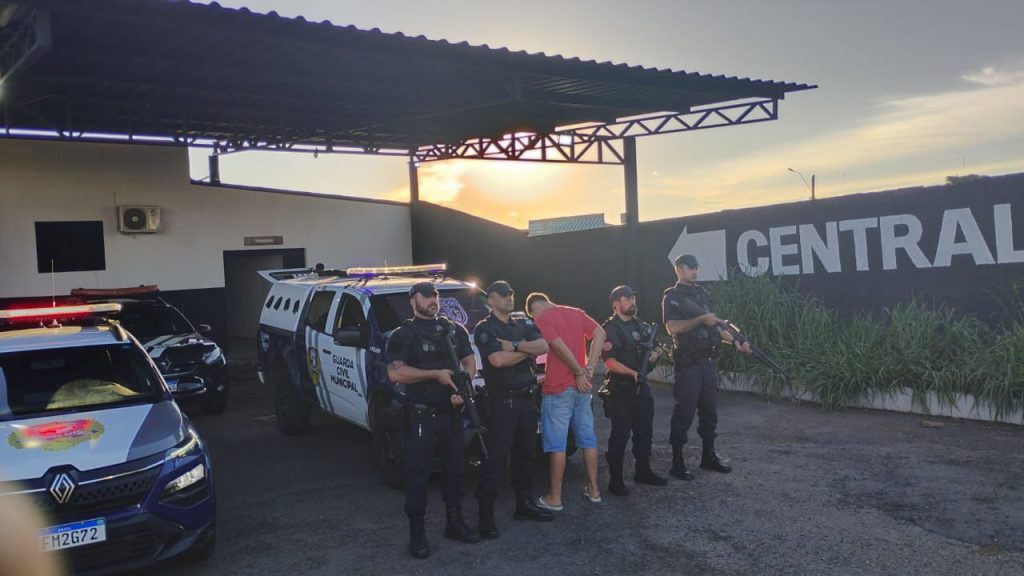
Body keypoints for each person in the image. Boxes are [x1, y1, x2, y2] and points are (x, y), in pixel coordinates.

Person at [386, 281, 479, 559]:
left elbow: (469, 360)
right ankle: (417, 535)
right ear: (412, 301)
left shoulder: (454, 329)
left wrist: (463, 387)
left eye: (435, 295)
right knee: (417, 477)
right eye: (426, 296)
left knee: (455, 472)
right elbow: (396, 373)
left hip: (451, 413)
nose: (432, 300)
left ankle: (455, 523)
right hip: (421, 416)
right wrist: (435, 375)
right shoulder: (404, 334)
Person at [473, 281, 556, 539]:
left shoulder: (522, 322)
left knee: (526, 456)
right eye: (503, 295)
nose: (510, 298)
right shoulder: (485, 328)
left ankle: (524, 505)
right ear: (491, 300)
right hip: (502, 403)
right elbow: (497, 360)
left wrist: (514, 346)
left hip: (527, 400)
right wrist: (525, 350)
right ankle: (485, 516)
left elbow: (544, 345)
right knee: (495, 460)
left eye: (511, 293)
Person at [662, 255, 751, 481]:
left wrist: (736, 341)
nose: (695, 271)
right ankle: (677, 462)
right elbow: (673, 328)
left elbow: (716, 328)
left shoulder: (702, 294)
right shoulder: (672, 297)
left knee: (709, 412)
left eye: (697, 267)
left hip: (708, 363)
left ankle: (708, 456)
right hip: (689, 365)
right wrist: (701, 319)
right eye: (691, 267)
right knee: (684, 413)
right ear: (679, 269)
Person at [525, 292, 606, 510]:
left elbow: (558, 346)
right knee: (587, 438)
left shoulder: (543, 318)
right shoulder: (576, 313)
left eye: (533, 317)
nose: (535, 321)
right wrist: (589, 368)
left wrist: (579, 371)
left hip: (558, 388)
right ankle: (594, 490)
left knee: (557, 444)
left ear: (535, 308)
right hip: (582, 387)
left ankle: (555, 498)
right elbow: (600, 333)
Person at [600, 285, 669, 496]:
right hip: (621, 389)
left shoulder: (642, 325)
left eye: (632, 298)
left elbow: (658, 346)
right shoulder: (611, 329)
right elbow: (609, 361)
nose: (632, 301)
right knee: (620, 435)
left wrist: (655, 354)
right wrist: (632, 373)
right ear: (616, 304)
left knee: (644, 432)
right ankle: (616, 480)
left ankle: (643, 471)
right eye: (627, 298)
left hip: (642, 387)